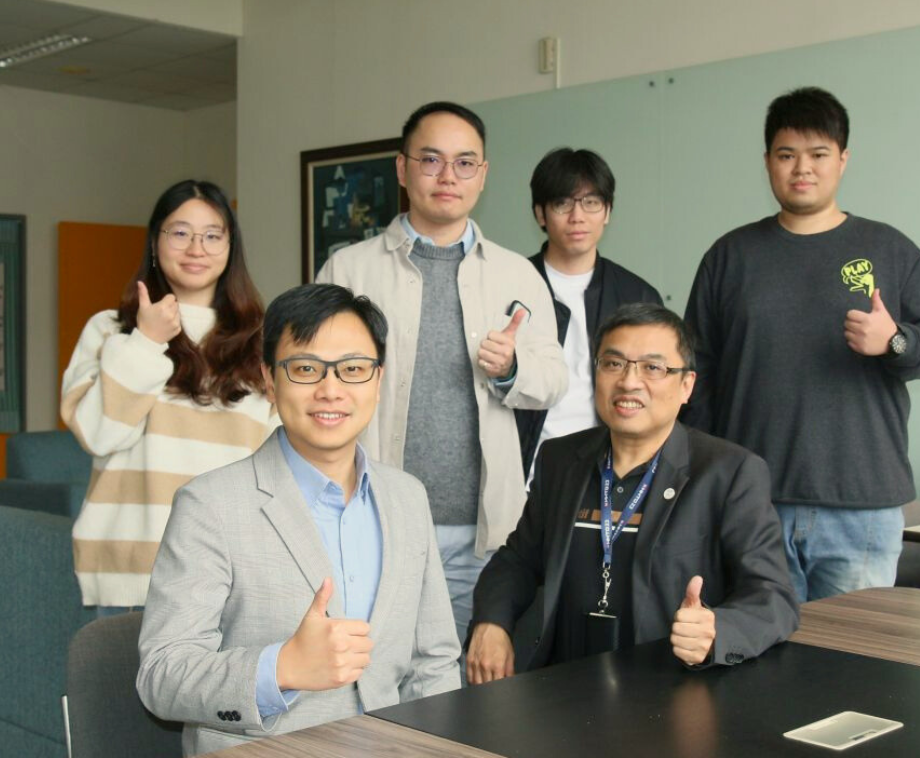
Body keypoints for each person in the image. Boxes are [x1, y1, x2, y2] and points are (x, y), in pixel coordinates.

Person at [137, 284, 460, 756]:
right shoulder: (209, 506)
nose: (331, 390)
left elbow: (434, 661)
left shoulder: (408, 498)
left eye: (352, 369)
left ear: (378, 378)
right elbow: (161, 676)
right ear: (269, 379)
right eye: (305, 369)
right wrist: (281, 667)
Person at [681, 87, 920, 603]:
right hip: (753, 501)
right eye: (786, 155)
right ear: (767, 162)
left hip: (862, 505)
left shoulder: (889, 249)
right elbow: (696, 374)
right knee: (760, 662)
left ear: (843, 160)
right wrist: (709, 482)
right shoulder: (730, 257)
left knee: (855, 668)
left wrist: (893, 341)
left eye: (818, 155)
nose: (801, 168)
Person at [316, 101, 567, 641]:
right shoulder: (348, 268)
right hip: (371, 519)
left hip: (480, 530)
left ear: (483, 175)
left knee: (458, 686)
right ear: (403, 170)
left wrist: (512, 369)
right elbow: (317, 381)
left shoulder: (516, 273)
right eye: (430, 161)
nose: (447, 176)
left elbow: (553, 379)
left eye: (464, 162)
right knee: (370, 672)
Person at [467, 304, 798, 682]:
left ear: (686, 385)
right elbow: (518, 560)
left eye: (653, 368)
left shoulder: (729, 472)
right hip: (562, 687)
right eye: (613, 364)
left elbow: (774, 598)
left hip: (668, 689)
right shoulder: (561, 460)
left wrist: (717, 631)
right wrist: (491, 622)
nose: (628, 381)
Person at [60, 180, 277, 612]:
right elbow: (98, 436)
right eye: (180, 233)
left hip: (233, 571)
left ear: (230, 246)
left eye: (212, 235)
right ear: (155, 242)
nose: (197, 248)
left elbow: (277, 464)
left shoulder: (264, 340)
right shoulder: (109, 330)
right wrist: (145, 341)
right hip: (134, 572)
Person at [516, 147, 663, 485]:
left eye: (591, 203)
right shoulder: (508, 285)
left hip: (612, 473)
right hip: (524, 474)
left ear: (607, 211)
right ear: (540, 214)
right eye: (562, 203)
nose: (577, 217)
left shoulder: (637, 296)